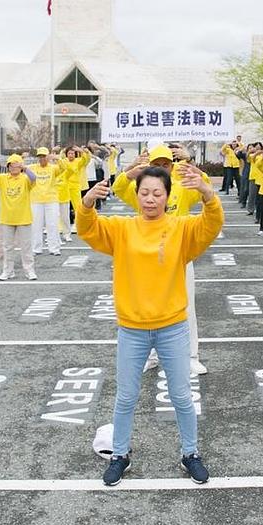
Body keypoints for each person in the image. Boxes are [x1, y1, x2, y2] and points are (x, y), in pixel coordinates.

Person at [78, 163, 223, 486]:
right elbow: (89, 229)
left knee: (181, 395)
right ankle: (119, 455)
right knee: (126, 397)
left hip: (172, 327)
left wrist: (207, 193)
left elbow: (211, 224)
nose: (150, 199)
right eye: (144, 193)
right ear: (137, 195)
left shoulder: (181, 228)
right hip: (132, 329)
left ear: (168, 196)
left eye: (157, 193)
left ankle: (190, 453)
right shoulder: (122, 228)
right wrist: (87, 203)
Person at [112, 144, 211, 376]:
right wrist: (131, 169)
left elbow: (205, 187)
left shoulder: (181, 185)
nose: (162, 168)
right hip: (147, 259)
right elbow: (118, 188)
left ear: (172, 165)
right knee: (148, 307)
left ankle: (191, 357)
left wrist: (191, 162)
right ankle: (152, 356)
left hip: (180, 256)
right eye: (156, 164)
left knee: (186, 306)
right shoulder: (143, 189)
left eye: (166, 164)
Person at [0, 154, 37, 280]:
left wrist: (25, 168)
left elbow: (33, 178)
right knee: (7, 247)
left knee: (26, 246)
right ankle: (8, 271)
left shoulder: (25, 178)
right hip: (7, 218)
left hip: (24, 217)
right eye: (11, 165)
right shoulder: (3, 178)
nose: (14, 167)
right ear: (8, 167)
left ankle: (29, 270)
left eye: (16, 165)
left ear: (21, 166)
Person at [28, 147, 62, 256]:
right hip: (36, 200)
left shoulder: (53, 168)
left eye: (44, 156)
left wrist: (57, 158)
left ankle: (54, 248)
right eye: (40, 156)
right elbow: (20, 168)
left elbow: (64, 168)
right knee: (36, 225)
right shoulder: (32, 167)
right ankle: (36, 248)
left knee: (52, 224)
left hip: (51, 200)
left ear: (48, 157)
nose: (42, 158)